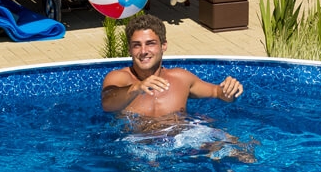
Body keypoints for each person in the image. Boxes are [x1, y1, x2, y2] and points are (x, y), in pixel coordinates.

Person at [101, 13, 244, 119]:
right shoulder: (120, 78)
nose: (143, 51)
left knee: (233, 145)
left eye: (150, 43)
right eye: (137, 45)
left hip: (180, 140)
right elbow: (107, 103)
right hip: (136, 144)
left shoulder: (180, 78)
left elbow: (217, 92)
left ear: (163, 45)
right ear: (129, 49)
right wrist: (136, 88)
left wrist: (230, 89)